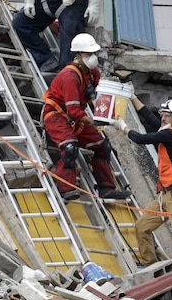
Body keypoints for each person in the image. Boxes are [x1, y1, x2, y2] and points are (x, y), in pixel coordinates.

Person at [112, 97, 172, 266]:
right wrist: (133, 97)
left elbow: (140, 139)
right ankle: (151, 265)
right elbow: (150, 117)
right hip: (166, 195)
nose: (163, 118)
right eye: (163, 114)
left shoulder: (171, 134)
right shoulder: (168, 131)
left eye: (167, 115)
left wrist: (123, 127)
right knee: (142, 227)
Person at [42, 33, 131, 201]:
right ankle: (65, 188)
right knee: (69, 148)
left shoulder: (92, 73)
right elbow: (74, 110)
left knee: (102, 146)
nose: (92, 57)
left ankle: (106, 188)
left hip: (75, 118)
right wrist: (94, 121)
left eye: (93, 53)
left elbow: (100, 94)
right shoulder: (70, 76)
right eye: (88, 54)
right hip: (56, 116)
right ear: (78, 55)